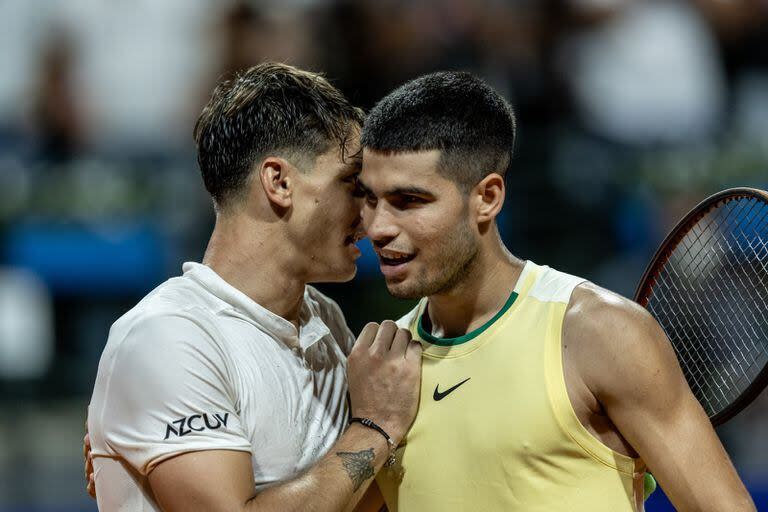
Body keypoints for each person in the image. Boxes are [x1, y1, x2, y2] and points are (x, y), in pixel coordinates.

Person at [354, 71, 756, 511]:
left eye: (409, 201)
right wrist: (371, 428)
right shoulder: (381, 371)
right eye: (369, 199)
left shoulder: (599, 333)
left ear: (487, 197)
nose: (378, 227)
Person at [87, 62, 421, 512]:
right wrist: (374, 429)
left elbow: (350, 500)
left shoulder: (323, 319)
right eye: (352, 184)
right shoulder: (167, 337)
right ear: (279, 182)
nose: (372, 215)